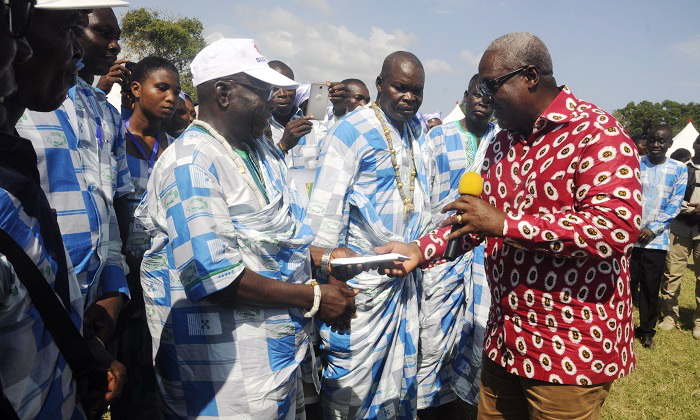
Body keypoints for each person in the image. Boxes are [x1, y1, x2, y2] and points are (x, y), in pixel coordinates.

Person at [377, 32, 642, 419]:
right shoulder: (503, 142)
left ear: (530, 77)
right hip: (505, 339)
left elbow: (614, 230)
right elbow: (477, 220)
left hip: (568, 349)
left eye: (491, 84)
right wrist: (420, 250)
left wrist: (507, 225)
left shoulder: (598, 134)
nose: (483, 95)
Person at [135, 38, 367, 418]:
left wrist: (324, 259)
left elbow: (269, 242)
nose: (274, 99)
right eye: (261, 91)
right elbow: (215, 275)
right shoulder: (192, 163)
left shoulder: (262, 151)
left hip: (275, 357)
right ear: (224, 93)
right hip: (226, 371)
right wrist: (313, 297)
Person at [1, 1, 128, 417]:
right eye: (69, 29)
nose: (75, 50)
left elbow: (105, 206)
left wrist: (78, 345)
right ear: (14, 45)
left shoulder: (101, 113)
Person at [304, 50, 433, 419]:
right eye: (401, 88)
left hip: (402, 279)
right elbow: (326, 213)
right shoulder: (351, 129)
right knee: (352, 389)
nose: (410, 97)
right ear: (380, 85)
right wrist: (330, 281)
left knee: (399, 386)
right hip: (360, 285)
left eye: (417, 91)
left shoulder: (416, 130)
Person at [17, 5, 132, 345]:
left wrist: (113, 289)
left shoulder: (103, 110)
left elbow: (108, 205)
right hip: (28, 304)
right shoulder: (25, 99)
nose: (114, 47)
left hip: (94, 303)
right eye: (103, 33)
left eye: (118, 38)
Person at [416, 74, 498, 416]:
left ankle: (466, 401)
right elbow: (423, 196)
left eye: (489, 97)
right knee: (432, 332)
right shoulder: (437, 137)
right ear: (464, 96)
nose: (482, 101)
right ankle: (428, 403)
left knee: (477, 331)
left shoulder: (502, 141)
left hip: (482, 255)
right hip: (443, 251)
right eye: (476, 95)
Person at [111, 55, 180, 419]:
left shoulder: (177, 147)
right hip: (120, 270)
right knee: (124, 356)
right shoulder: (113, 137)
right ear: (136, 89)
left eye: (176, 91)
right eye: (162, 88)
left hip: (163, 271)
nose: (171, 98)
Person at [631, 124, 687, 348]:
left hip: (657, 240)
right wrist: (634, 226)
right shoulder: (635, 163)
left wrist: (653, 228)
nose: (656, 144)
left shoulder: (679, 168)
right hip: (630, 237)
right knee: (626, 285)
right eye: (653, 139)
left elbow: (675, 204)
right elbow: (626, 194)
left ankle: (646, 331)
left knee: (650, 287)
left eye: (661, 141)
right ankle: (623, 328)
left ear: (670, 144)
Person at [659, 134, 700, 340]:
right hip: (681, 227)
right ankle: (669, 315)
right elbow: (671, 195)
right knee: (672, 272)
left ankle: (699, 321)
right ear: (694, 145)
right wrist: (686, 209)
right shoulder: (682, 167)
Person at [268, 60, 321, 169]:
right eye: (274, 88)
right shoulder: (255, 129)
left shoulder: (315, 127)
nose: (283, 94)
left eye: (288, 87)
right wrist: (283, 145)